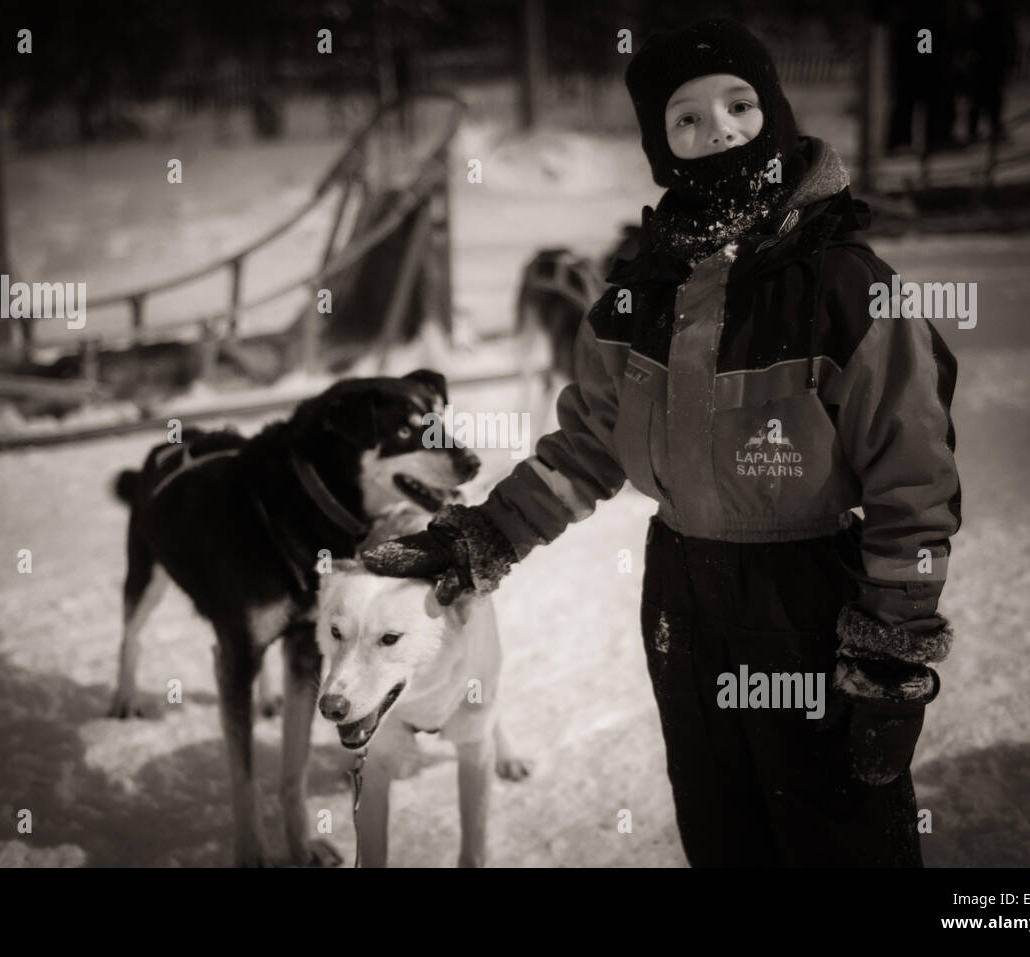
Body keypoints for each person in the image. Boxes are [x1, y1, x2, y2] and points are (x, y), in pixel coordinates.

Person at [361, 18, 962, 867]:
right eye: (685, 119)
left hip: (804, 600)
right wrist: (483, 535)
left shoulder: (846, 287)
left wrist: (895, 645)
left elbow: (915, 474)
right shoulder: (639, 296)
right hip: (681, 594)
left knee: (834, 829)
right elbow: (586, 448)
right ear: (661, 148)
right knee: (721, 819)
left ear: (776, 115)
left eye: (739, 105)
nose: (715, 129)